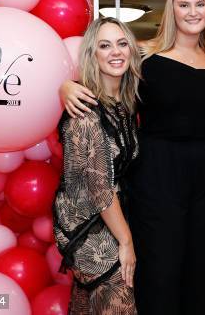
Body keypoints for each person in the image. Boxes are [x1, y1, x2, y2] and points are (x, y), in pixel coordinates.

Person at [60, 0, 205, 315]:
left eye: (200, 4)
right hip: (158, 181)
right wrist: (66, 85)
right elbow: (105, 76)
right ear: (172, 10)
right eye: (184, 5)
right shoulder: (144, 54)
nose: (192, 12)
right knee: (160, 276)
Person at [53, 17, 141, 314]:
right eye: (105, 46)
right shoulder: (85, 109)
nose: (115, 52)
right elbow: (100, 188)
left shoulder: (124, 104)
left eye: (122, 43)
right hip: (89, 232)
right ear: (93, 55)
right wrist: (126, 242)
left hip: (109, 224)